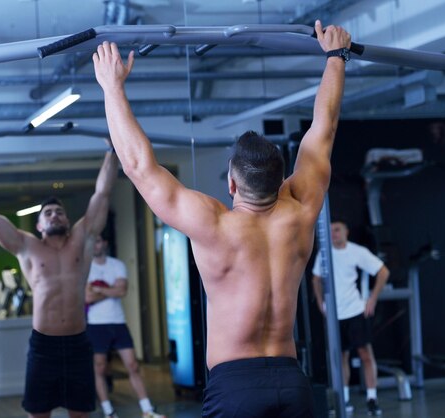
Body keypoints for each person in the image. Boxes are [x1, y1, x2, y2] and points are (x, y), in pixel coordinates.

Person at [93, 19, 350, 418]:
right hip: (293, 380)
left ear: (231, 184)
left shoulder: (213, 224)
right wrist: (335, 57)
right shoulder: (302, 209)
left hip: (235, 386)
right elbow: (325, 128)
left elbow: (139, 166)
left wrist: (112, 88)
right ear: (283, 179)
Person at [0, 144, 118, 418]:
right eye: (47, 213)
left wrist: (113, 149)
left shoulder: (82, 241)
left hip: (77, 343)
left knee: (81, 414)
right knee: (38, 414)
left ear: (68, 219)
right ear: (39, 226)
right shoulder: (27, 247)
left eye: (58, 211)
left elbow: (102, 192)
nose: (54, 215)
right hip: (43, 346)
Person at [311, 220, 390, 416]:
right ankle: (343, 399)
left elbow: (383, 272)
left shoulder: (357, 251)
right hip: (335, 315)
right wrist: (321, 303)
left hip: (355, 311)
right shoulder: (324, 253)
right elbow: (315, 279)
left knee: (365, 355)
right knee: (340, 357)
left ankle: (372, 398)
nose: (334, 234)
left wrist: (372, 299)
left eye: (337, 230)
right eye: (330, 231)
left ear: (346, 231)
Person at [85, 233, 165, 418]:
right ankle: (108, 411)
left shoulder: (117, 265)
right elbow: (87, 297)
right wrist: (111, 290)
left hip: (118, 322)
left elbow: (122, 291)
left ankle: (147, 409)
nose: (95, 245)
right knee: (99, 368)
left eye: (98, 241)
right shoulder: (86, 268)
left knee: (132, 365)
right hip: (96, 324)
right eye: (92, 242)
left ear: (104, 243)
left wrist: (98, 289)